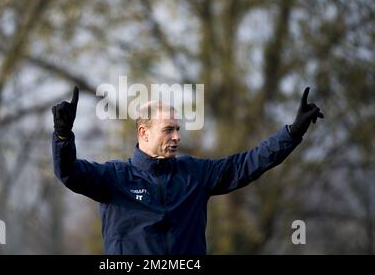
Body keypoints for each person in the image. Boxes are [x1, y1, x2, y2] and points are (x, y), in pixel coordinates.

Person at [51, 86, 323, 254]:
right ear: (143, 133)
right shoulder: (113, 178)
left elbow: (249, 163)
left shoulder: (195, 173)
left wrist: (293, 132)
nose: (177, 137)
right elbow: (69, 173)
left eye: (177, 129)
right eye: (168, 129)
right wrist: (63, 136)